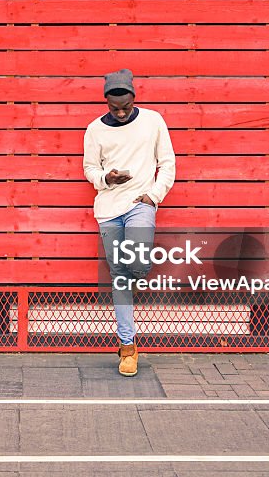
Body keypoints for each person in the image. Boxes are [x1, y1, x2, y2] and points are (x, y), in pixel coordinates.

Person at [83, 69, 176, 376]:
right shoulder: (95, 129)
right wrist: (105, 178)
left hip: (141, 203)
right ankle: (127, 347)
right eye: (114, 108)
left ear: (134, 98)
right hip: (109, 208)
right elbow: (89, 168)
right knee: (119, 277)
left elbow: (168, 163)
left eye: (125, 106)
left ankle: (137, 272)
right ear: (106, 103)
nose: (121, 113)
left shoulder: (153, 121)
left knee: (135, 267)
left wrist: (153, 195)